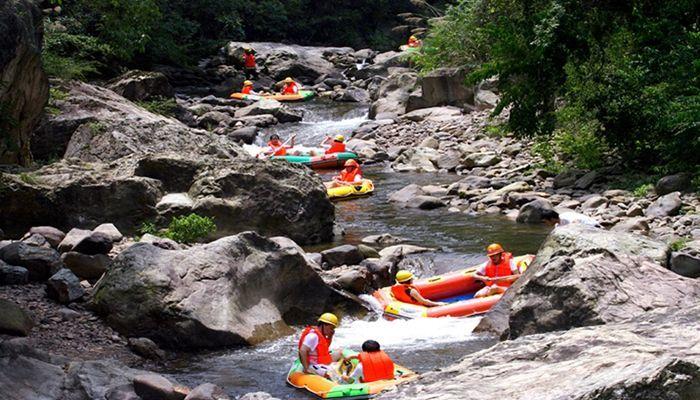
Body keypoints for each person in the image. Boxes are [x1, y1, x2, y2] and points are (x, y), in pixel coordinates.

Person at [298, 313, 343, 377]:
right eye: (331, 328)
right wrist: (306, 368)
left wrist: (330, 336)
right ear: (324, 325)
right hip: (314, 365)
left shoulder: (321, 334)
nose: (332, 331)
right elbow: (302, 350)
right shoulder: (312, 336)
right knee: (332, 374)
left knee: (339, 352)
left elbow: (325, 347)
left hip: (320, 360)